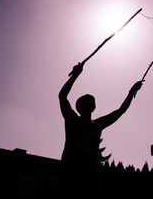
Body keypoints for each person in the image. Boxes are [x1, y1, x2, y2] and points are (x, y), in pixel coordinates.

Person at [58, 62, 143, 198]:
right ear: (80, 107)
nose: (92, 102)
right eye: (88, 101)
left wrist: (131, 92)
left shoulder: (97, 125)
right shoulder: (72, 120)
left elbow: (120, 111)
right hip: (70, 177)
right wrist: (75, 75)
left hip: (90, 181)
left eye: (93, 101)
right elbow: (62, 97)